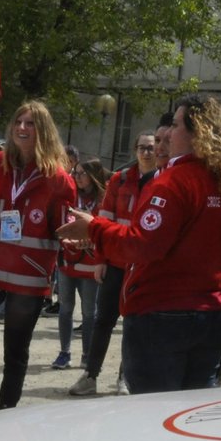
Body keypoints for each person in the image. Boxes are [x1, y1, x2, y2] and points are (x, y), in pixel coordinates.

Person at [57, 95, 221, 394]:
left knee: (153, 416)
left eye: (175, 125)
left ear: (197, 133)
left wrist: (94, 227)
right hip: (217, 310)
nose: (168, 134)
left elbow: (143, 245)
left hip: (166, 313)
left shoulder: (174, 181)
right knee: (192, 413)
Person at [0, 100, 76, 409]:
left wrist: (77, 240)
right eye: (18, 122)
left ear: (43, 131)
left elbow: (62, 228)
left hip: (28, 275)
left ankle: (6, 411)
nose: (22, 128)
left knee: (15, 349)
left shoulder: (58, 180)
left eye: (30, 124)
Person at [69, 132, 155, 396]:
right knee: (102, 320)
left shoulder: (164, 181)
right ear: (135, 150)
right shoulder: (120, 180)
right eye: (142, 147)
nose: (147, 152)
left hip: (141, 267)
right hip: (116, 263)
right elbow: (103, 222)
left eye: (151, 148)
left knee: (133, 323)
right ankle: (90, 375)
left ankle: (124, 378)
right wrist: (100, 260)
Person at [52, 157, 108, 372]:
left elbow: (106, 229)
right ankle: (64, 353)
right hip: (67, 260)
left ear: (93, 176)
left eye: (81, 173)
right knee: (65, 309)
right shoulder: (70, 196)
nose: (77, 177)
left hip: (90, 263)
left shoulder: (103, 200)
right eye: (75, 173)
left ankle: (87, 355)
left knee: (88, 313)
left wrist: (90, 239)